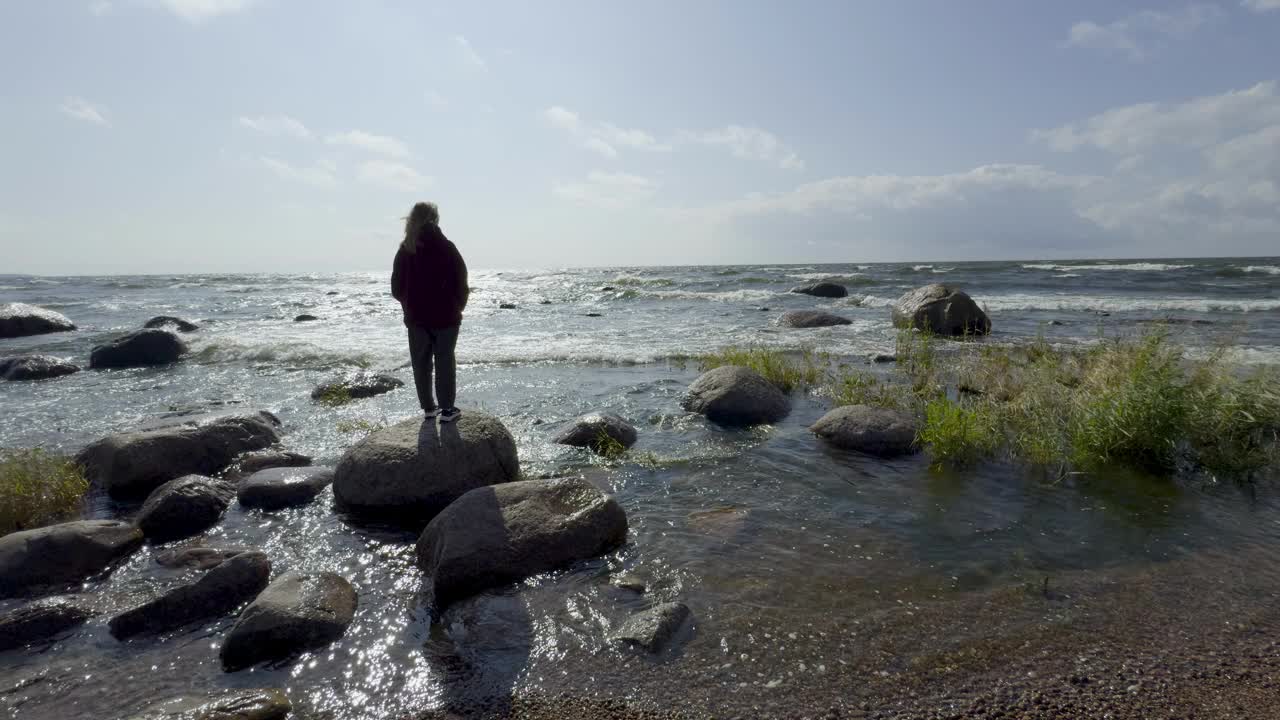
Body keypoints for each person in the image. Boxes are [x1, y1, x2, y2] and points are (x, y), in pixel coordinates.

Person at [391, 202, 469, 422]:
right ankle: (447, 410)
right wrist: (458, 306)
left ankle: (428, 408)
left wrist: (408, 304)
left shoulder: (406, 248)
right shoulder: (447, 246)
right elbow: (461, 281)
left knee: (421, 362)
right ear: (435, 218)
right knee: (445, 360)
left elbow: (396, 287)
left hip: (416, 317)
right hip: (446, 315)